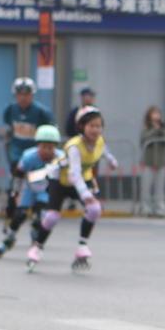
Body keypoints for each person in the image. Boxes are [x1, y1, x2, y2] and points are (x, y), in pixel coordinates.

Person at [30, 105, 116, 272]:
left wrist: (112, 161)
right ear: (82, 126)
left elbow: (104, 150)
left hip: (84, 178)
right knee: (52, 217)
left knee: (94, 209)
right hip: (61, 180)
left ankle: (82, 245)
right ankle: (37, 246)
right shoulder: (74, 146)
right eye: (91, 125)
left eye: (98, 126)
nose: (95, 130)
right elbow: (74, 174)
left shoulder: (99, 140)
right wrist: (85, 194)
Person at [0, 124, 62, 261]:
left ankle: (35, 240)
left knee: (40, 217)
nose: (47, 151)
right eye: (43, 147)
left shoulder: (61, 158)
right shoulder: (29, 156)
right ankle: (10, 238)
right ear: (38, 145)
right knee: (19, 215)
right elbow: (18, 176)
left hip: (46, 191)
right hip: (29, 189)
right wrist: (15, 193)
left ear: (55, 147)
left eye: (50, 148)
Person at [2, 77, 55, 224]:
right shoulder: (11, 110)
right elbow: (9, 127)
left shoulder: (41, 112)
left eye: (27, 94)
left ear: (32, 95)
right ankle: (12, 210)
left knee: (38, 181)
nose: (23, 98)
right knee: (16, 180)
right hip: (17, 151)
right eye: (20, 94)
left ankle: (38, 210)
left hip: (35, 152)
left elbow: (51, 130)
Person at [138, 106, 165, 218]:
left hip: (161, 162)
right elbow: (144, 139)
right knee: (146, 187)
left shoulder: (164, 127)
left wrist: (160, 130)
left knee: (159, 188)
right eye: (154, 113)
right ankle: (145, 208)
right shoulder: (146, 128)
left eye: (158, 113)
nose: (156, 116)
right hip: (148, 161)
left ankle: (159, 209)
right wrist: (154, 130)